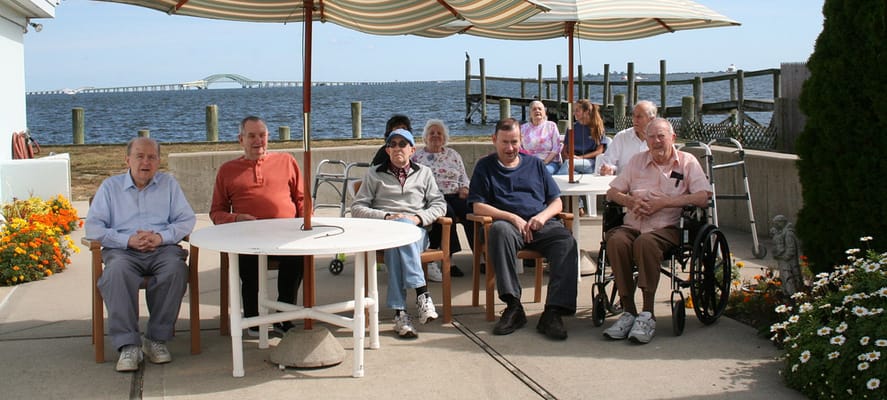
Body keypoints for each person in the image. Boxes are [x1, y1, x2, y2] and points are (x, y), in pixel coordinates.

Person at [85, 137, 196, 372]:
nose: (146, 162)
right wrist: (127, 240)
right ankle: (128, 345)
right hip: (123, 251)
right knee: (115, 273)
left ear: (158, 161)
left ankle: (155, 339)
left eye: (152, 157)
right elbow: (94, 228)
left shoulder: (169, 185)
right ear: (127, 159)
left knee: (176, 270)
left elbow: (186, 220)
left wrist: (161, 237)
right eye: (139, 156)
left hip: (162, 249)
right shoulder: (110, 187)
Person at [602, 118, 711, 344]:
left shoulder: (687, 162)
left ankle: (647, 313)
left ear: (673, 138)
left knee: (646, 244)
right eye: (652, 137)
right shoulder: (636, 161)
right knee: (616, 241)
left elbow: (703, 197)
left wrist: (666, 203)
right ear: (646, 140)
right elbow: (612, 192)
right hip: (634, 224)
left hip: (669, 227)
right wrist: (629, 201)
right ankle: (629, 312)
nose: (657, 141)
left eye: (662, 136)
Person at [467, 118, 578, 340]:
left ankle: (554, 311)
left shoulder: (535, 164)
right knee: (499, 231)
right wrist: (512, 218)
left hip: (540, 224)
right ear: (494, 140)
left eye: (514, 142)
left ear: (521, 141)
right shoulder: (485, 167)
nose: (510, 148)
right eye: (505, 142)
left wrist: (541, 217)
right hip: (506, 225)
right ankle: (513, 305)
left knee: (566, 241)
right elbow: (477, 206)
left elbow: (557, 202)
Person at [209, 116, 305, 337]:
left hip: (286, 235)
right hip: (248, 237)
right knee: (247, 263)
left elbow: (302, 199)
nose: (258, 141)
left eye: (262, 135)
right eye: (251, 136)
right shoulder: (227, 170)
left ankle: (284, 316)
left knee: (298, 258)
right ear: (240, 139)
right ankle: (253, 319)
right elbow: (216, 212)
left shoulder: (286, 161)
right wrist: (237, 219)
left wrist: (304, 223)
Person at [352, 128, 447, 339]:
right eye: (392, 144)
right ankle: (422, 294)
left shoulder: (424, 173)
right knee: (396, 237)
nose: (397, 148)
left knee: (401, 235)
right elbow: (357, 208)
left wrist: (418, 218)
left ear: (412, 149)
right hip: (385, 232)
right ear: (387, 150)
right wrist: (386, 217)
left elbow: (439, 204)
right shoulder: (374, 173)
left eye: (402, 144)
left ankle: (400, 313)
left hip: (416, 234)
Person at [410, 119, 473, 280]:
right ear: (425, 137)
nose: (436, 136)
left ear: (444, 137)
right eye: (432, 133)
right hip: (433, 197)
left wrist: (465, 188)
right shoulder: (417, 157)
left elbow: (464, 177)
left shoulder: (453, 154)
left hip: (455, 194)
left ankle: (481, 254)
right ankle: (448, 260)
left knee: (471, 211)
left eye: (439, 133)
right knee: (448, 214)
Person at [596, 100, 657, 176]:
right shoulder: (621, 137)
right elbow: (607, 162)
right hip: (624, 184)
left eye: (639, 116)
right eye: (633, 116)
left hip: (651, 184)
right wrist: (609, 169)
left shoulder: (659, 140)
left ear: (651, 119)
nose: (635, 120)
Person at [557, 99, 610, 176]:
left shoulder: (597, 128)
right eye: (574, 110)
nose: (574, 113)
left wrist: (580, 158)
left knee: (569, 163)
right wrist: (568, 157)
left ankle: (557, 185)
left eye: (577, 110)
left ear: (586, 112)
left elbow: (599, 151)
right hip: (571, 161)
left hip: (590, 162)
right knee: (569, 166)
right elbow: (564, 150)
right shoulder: (571, 128)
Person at [520, 100, 562, 174]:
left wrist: (545, 162)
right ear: (530, 113)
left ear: (544, 112)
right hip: (530, 162)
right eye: (534, 109)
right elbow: (519, 148)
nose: (537, 111)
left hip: (550, 162)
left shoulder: (551, 126)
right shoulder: (523, 128)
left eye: (540, 109)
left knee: (541, 172)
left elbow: (556, 148)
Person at [770, 215, 803, 296]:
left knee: (789, 279)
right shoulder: (781, 233)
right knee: (785, 279)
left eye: (776, 223)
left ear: (782, 222)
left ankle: (792, 296)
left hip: (788, 263)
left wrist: (784, 257)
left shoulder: (788, 233)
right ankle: (788, 295)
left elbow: (791, 249)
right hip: (784, 261)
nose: (775, 226)